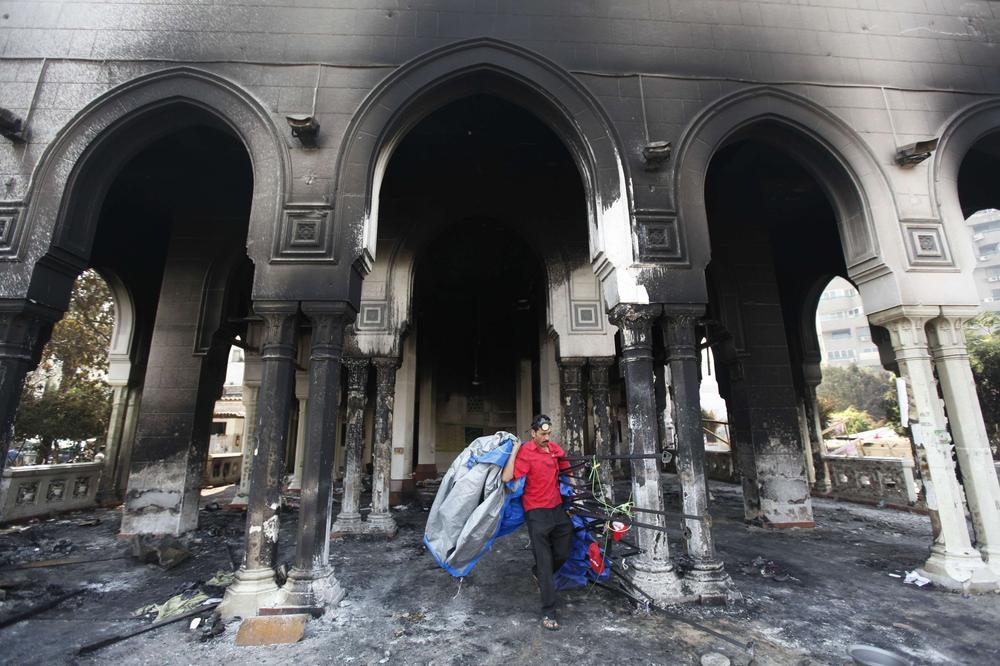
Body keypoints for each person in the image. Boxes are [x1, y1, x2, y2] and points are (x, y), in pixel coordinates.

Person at [501, 414, 573, 631]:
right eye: (542, 434)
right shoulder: (526, 452)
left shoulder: (554, 449)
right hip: (536, 512)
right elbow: (506, 478)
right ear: (533, 433)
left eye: (548, 433)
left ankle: (538, 572)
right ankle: (549, 611)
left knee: (563, 552)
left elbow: (566, 469)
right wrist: (515, 451)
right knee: (545, 561)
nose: (546, 437)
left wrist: (574, 494)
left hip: (557, 509)